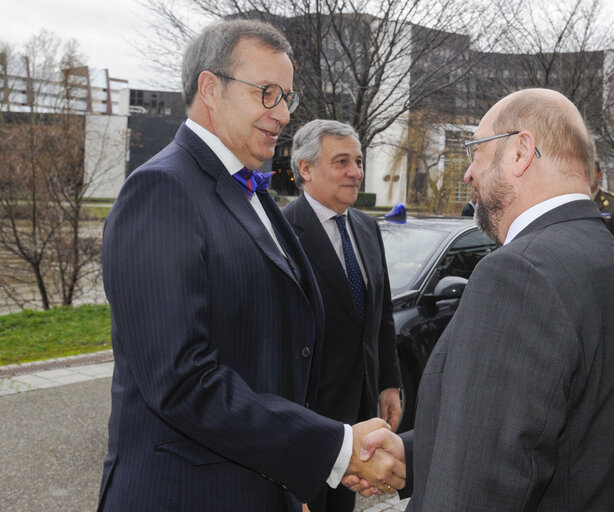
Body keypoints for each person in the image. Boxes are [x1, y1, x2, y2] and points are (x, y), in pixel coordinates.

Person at [97, 20, 404, 512]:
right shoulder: (162, 191)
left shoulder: (251, 191)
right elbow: (181, 381)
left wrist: (293, 477)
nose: (282, 114)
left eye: (286, 97)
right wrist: (332, 449)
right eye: (267, 93)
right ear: (210, 88)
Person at [351, 88, 614, 510]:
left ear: (520, 151)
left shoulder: (518, 272)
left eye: (476, 152)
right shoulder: (612, 261)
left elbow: (478, 488)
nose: (468, 174)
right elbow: (544, 435)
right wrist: (415, 455)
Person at [282, 120, 402, 512]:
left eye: (358, 161)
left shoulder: (367, 228)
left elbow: (379, 316)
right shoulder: (281, 232)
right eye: (341, 161)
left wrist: (388, 384)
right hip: (308, 417)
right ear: (305, 168)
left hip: (362, 409)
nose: (356, 172)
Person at [591, 160, 614, 251]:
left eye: (591, 172)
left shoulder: (613, 203)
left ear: (600, 175)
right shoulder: (574, 200)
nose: (587, 177)